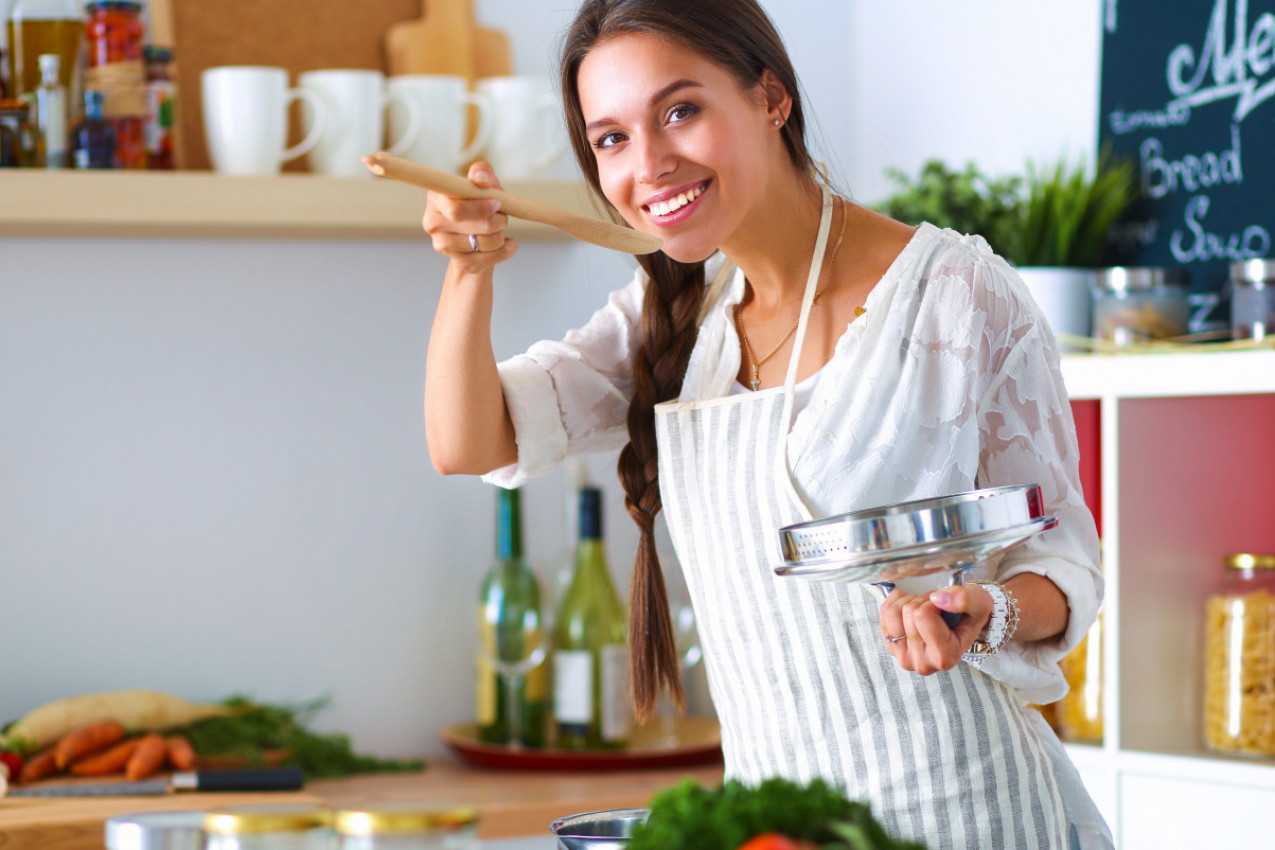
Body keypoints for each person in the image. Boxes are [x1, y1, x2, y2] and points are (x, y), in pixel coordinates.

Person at [421, 1, 1110, 847]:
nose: (649, 164)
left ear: (770, 97)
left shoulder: (954, 295)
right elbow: (467, 442)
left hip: (967, 811)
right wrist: (466, 273)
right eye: (612, 139)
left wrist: (984, 609)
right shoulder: (673, 314)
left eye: (680, 110)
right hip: (779, 824)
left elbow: (1062, 564)